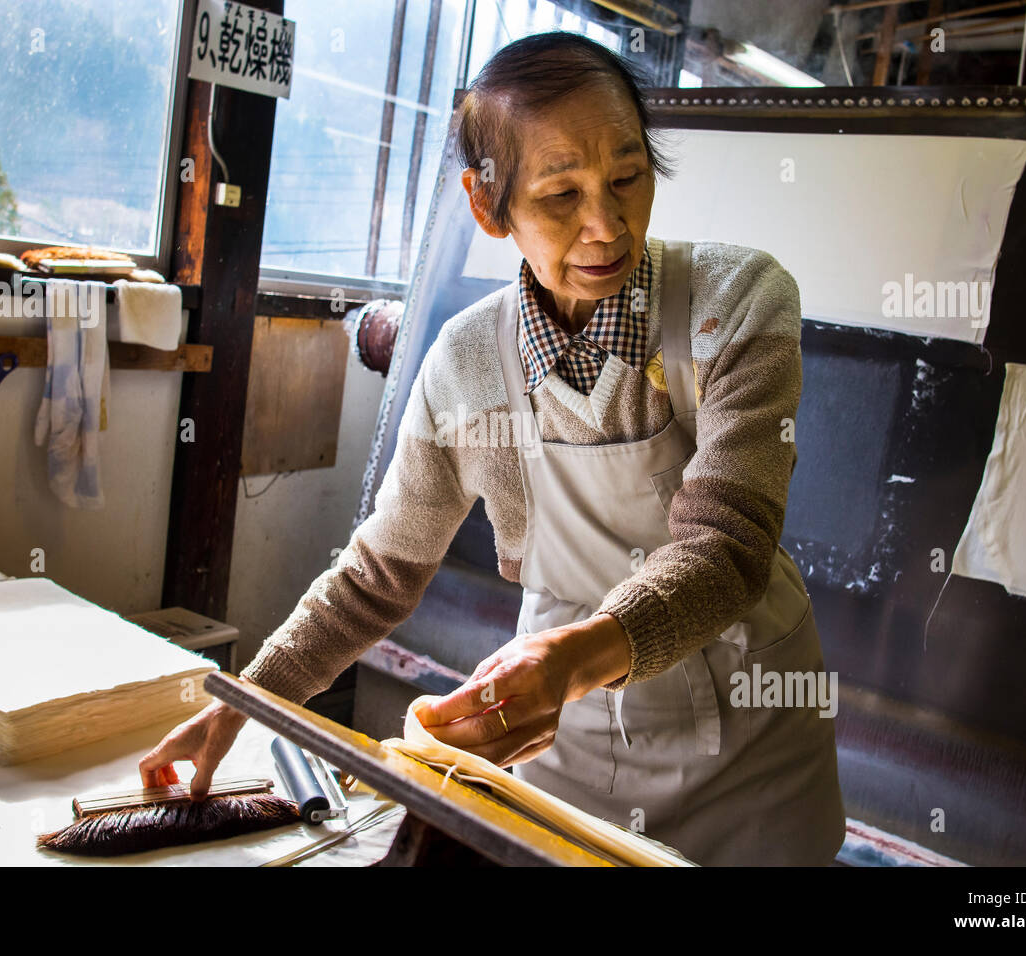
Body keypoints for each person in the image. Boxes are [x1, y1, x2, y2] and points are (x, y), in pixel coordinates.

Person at [143, 30, 845, 866]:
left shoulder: (738, 300)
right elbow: (379, 575)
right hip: (569, 743)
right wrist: (247, 701)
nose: (607, 224)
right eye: (560, 196)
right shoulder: (467, 365)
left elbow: (728, 548)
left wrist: (566, 658)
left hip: (749, 756)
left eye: (627, 176)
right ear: (487, 206)